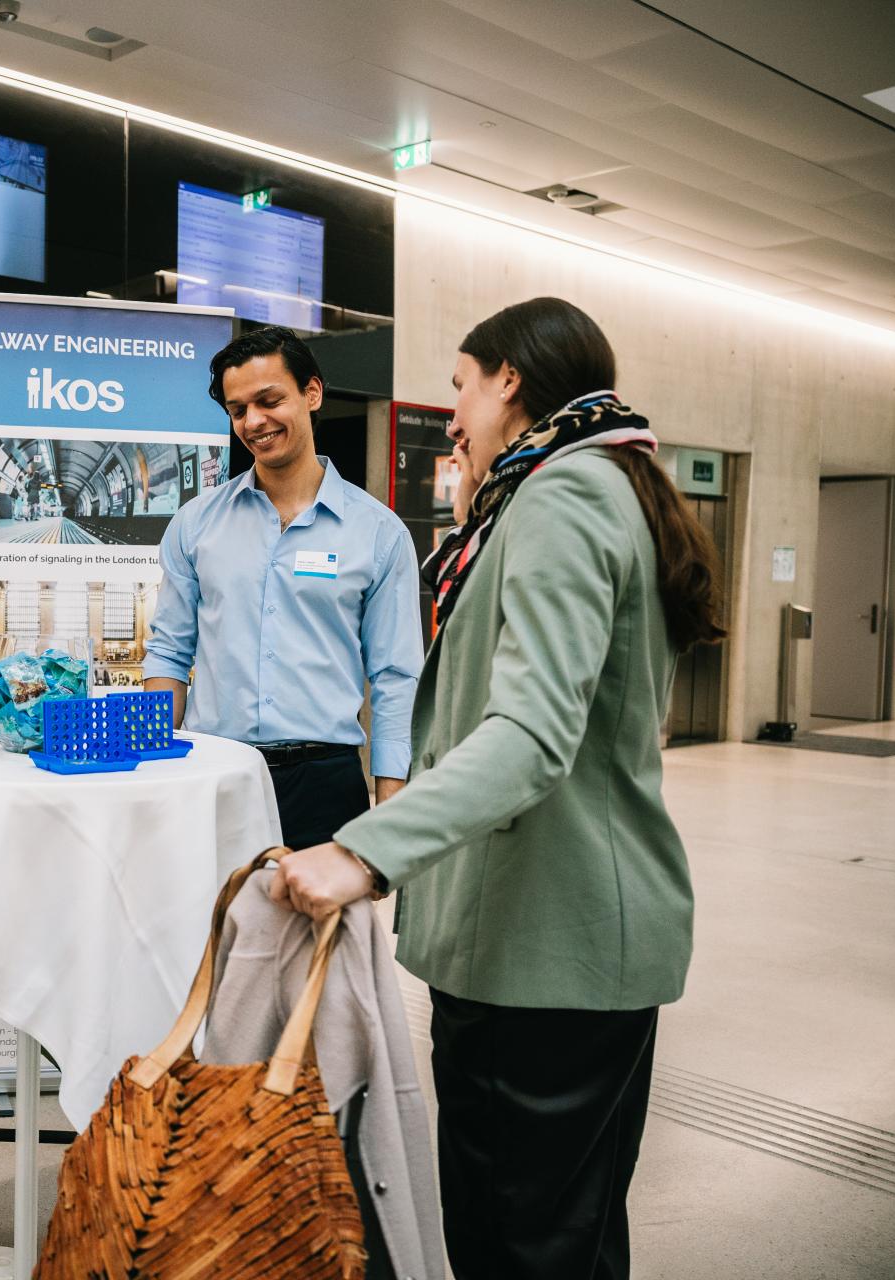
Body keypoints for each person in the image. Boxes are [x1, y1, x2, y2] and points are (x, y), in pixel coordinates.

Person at [275, 297, 721, 1279]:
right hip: (556, 942)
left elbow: (528, 734)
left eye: (461, 389)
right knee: (559, 1234)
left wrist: (362, 851)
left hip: (543, 947)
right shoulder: (604, 484)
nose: (455, 417)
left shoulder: (562, 495)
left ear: (508, 380)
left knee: (519, 1243)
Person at [144, 325, 422, 853]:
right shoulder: (195, 524)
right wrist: (157, 769)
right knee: (208, 933)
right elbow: (169, 653)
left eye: (269, 401)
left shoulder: (379, 533)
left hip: (326, 781)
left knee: (318, 936)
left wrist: (393, 805)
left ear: (311, 394)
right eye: (237, 409)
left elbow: (394, 675)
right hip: (214, 770)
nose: (254, 422)